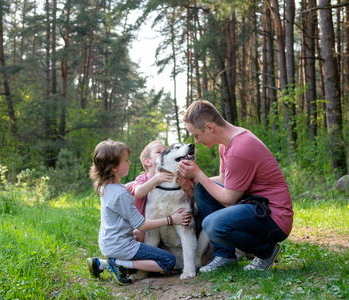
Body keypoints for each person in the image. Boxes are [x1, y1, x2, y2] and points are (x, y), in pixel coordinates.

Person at [177, 100, 293, 272]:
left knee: (213, 225)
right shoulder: (226, 144)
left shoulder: (241, 147)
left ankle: (267, 251)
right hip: (255, 207)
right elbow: (224, 180)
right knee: (202, 188)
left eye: (196, 135)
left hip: (274, 218)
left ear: (210, 127)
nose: (197, 141)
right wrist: (195, 180)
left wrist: (199, 174)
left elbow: (229, 199)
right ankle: (225, 256)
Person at [86, 140, 192, 285]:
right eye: (126, 160)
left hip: (109, 243)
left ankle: (102, 264)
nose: (129, 163)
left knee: (140, 238)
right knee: (168, 261)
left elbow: (132, 187)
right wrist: (171, 219)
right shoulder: (121, 194)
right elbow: (141, 224)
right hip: (122, 246)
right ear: (114, 167)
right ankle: (117, 263)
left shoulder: (106, 187)